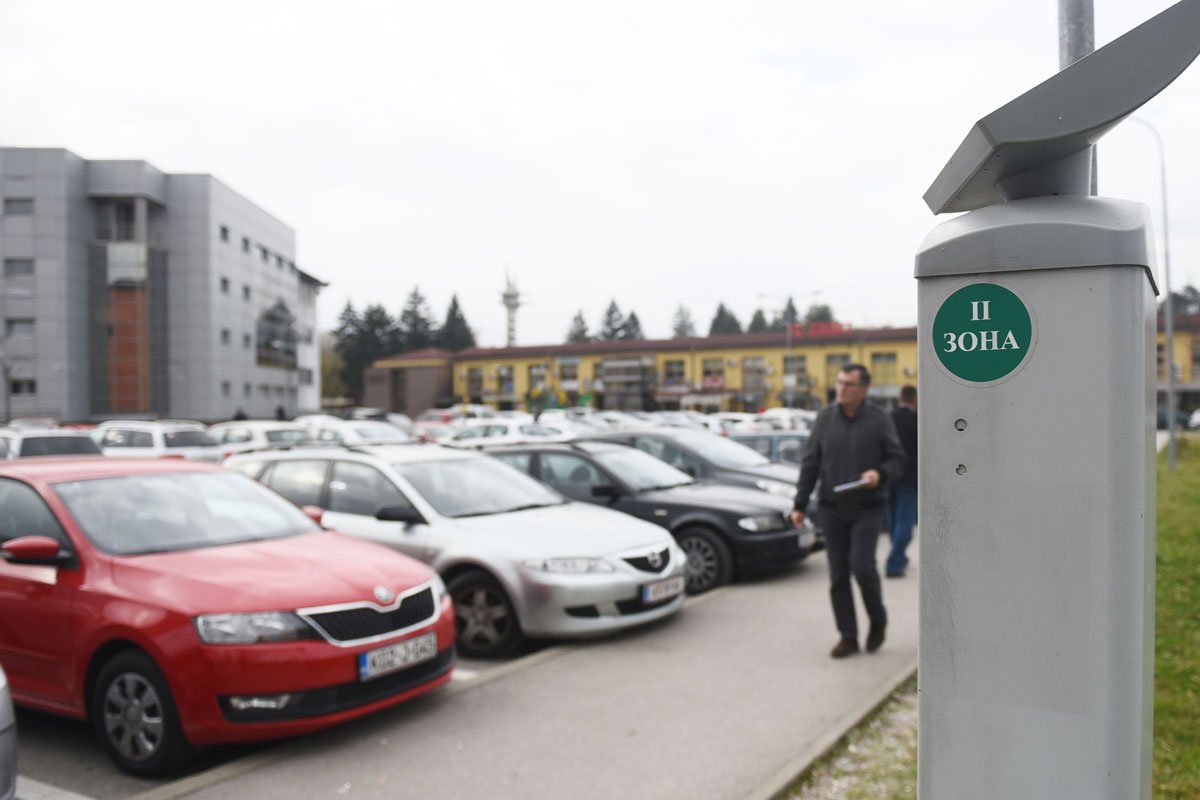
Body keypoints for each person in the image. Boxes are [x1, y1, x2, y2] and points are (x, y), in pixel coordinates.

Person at [791, 365, 905, 659]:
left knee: (862, 567)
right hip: (831, 508)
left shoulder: (879, 419)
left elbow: (897, 460)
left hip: (867, 507)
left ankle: (878, 619)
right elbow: (810, 462)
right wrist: (800, 504)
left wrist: (880, 473)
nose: (841, 388)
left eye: (849, 384)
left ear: (863, 389)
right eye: (839, 382)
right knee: (838, 575)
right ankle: (848, 636)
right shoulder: (825, 418)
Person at [886, 385, 918, 578]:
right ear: (914, 399)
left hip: (888, 476)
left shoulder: (888, 418)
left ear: (900, 398)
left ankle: (899, 555)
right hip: (909, 478)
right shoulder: (918, 420)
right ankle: (894, 563)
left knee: (893, 521)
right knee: (905, 522)